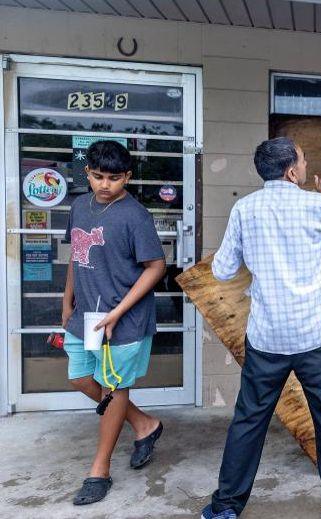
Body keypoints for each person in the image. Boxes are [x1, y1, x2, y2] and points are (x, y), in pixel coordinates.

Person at [201, 137, 321, 519]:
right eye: (304, 162)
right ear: (292, 172)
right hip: (316, 334)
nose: (307, 167)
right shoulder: (314, 203)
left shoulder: (244, 209)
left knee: (250, 418)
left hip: (268, 336)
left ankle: (226, 507)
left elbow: (223, 270)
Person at [62, 140, 166, 505]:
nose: (105, 185)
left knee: (113, 389)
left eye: (114, 178)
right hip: (86, 315)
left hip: (124, 319)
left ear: (127, 177)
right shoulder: (79, 206)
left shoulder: (135, 216)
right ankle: (144, 424)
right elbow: (77, 257)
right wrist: (67, 301)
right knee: (79, 377)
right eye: (98, 176)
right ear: (87, 173)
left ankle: (99, 470)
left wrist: (119, 312)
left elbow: (156, 266)